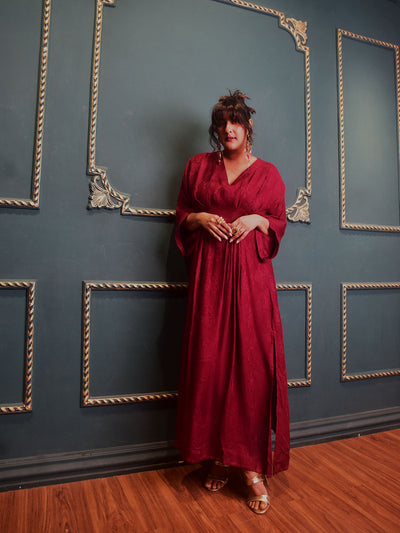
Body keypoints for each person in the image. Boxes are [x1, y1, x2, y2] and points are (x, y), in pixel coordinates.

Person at [174, 90, 290, 515]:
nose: (228, 129)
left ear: (248, 125)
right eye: (222, 122)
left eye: (236, 121)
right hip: (209, 279)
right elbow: (182, 214)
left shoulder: (269, 175)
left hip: (252, 282)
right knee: (211, 364)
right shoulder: (197, 167)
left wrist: (258, 219)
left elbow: (278, 221)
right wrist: (198, 218)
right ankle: (217, 456)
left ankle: (252, 467)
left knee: (250, 369)